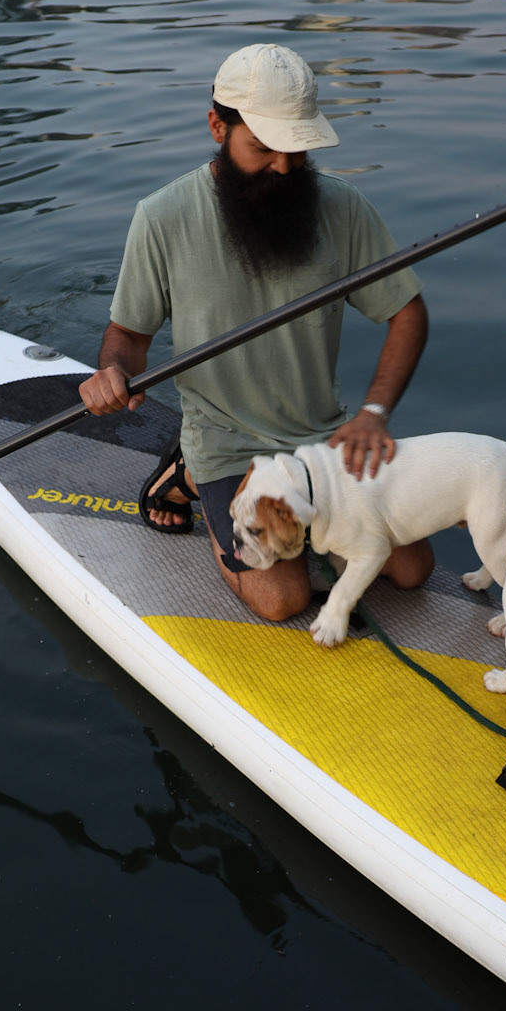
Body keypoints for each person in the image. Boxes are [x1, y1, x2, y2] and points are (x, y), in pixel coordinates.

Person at [80, 43, 433, 622]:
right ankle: (191, 472)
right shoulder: (162, 216)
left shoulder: (341, 208)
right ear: (218, 125)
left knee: (411, 572)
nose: (284, 166)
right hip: (229, 444)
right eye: (264, 147)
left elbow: (408, 313)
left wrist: (373, 413)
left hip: (321, 439)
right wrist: (114, 374)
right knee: (282, 600)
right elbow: (128, 339)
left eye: (296, 149)